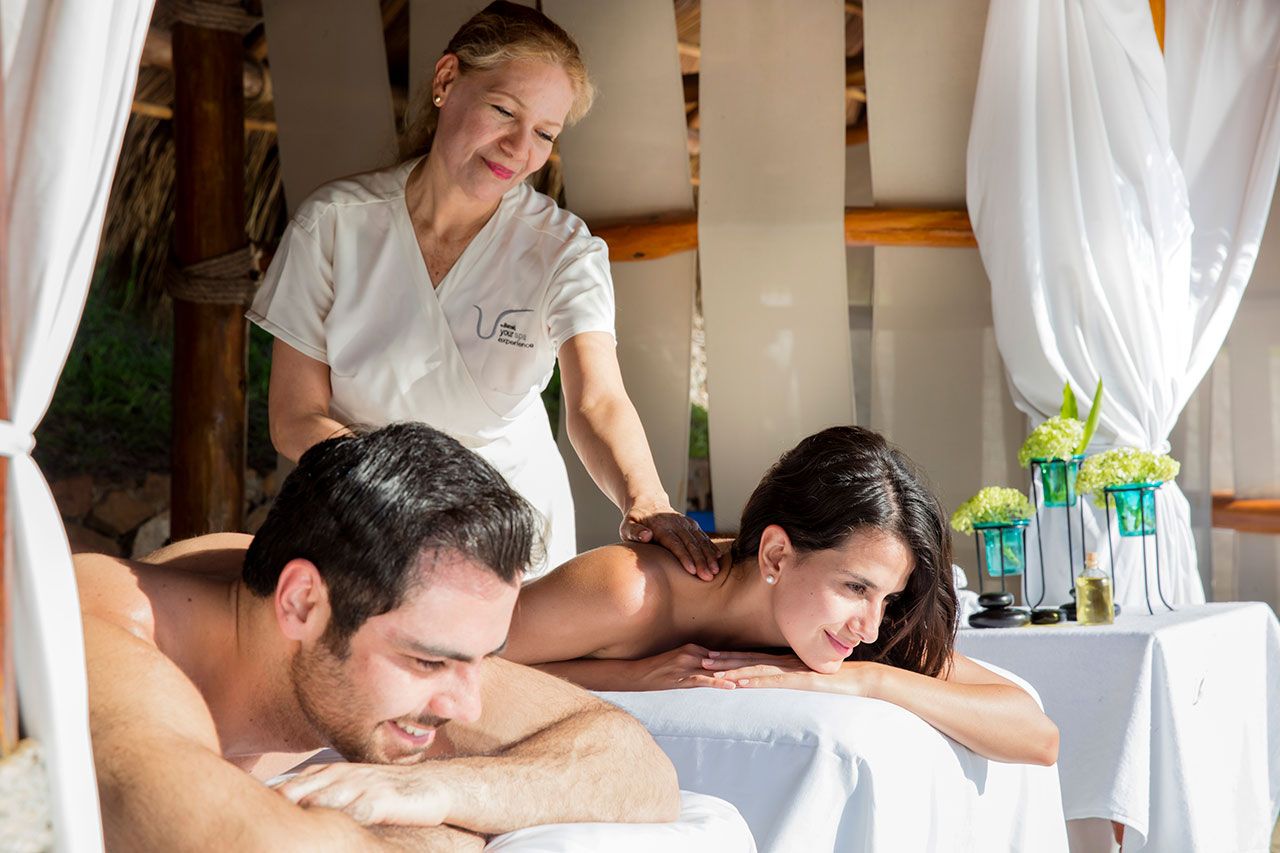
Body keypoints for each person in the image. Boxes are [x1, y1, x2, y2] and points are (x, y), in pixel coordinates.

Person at [248, 1, 716, 580]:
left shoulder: (563, 251)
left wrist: (646, 498)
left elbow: (597, 401)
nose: (520, 148)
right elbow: (295, 417)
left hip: (509, 545)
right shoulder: (334, 225)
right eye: (503, 110)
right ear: (447, 80)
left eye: (544, 133)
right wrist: (402, 496)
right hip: (363, 525)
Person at [77, 423, 680, 851]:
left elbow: (636, 767)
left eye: (477, 661)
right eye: (427, 663)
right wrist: (452, 837)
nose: (467, 706)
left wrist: (437, 790)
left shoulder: (361, 606)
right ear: (300, 604)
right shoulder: (104, 649)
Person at [503, 426, 1061, 766]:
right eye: (855, 587)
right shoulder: (631, 590)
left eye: (887, 598)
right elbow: (464, 666)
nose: (870, 626)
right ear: (775, 555)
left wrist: (871, 680)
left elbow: (1038, 737)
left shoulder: (864, 640)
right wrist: (629, 676)